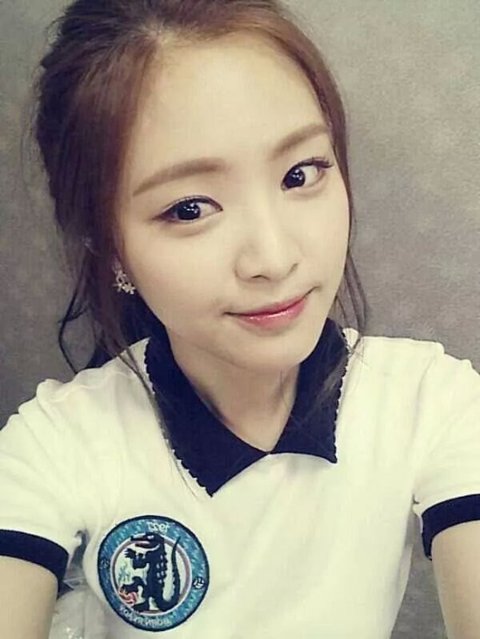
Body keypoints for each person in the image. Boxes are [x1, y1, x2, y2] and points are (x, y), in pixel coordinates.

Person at [1, 1, 479, 637]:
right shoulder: (55, 444)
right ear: (108, 246)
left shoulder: (432, 403)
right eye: (190, 209)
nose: (274, 258)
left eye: (300, 174)